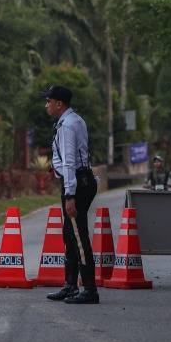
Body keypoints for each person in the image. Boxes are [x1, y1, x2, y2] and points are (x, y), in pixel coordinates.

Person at [41, 85, 99, 305]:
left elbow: (70, 162)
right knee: (70, 234)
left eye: (48, 101)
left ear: (59, 104)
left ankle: (90, 289)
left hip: (76, 183)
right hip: (81, 179)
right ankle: (70, 285)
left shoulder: (67, 125)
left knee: (78, 236)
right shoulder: (75, 120)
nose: (46, 105)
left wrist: (69, 195)